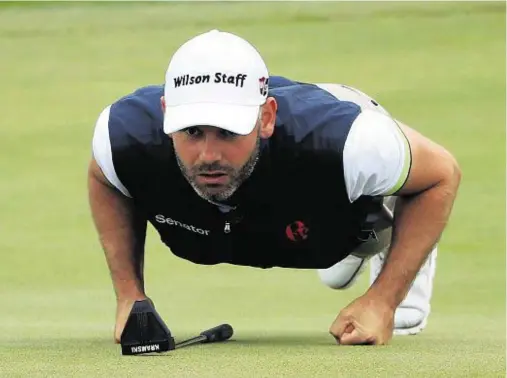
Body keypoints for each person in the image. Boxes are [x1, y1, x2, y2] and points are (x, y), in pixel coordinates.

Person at [88, 29, 461, 346]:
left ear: (265, 118)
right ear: (168, 113)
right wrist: (128, 296)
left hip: (341, 132)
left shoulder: (351, 142)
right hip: (278, 206)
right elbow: (103, 177)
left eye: (228, 131)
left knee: (363, 226)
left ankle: (376, 234)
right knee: (333, 268)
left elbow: (440, 174)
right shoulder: (124, 137)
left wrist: (384, 300)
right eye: (192, 131)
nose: (208, 154)